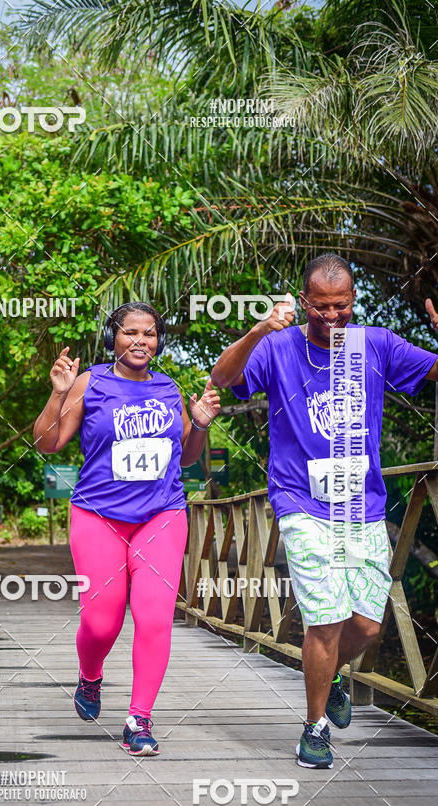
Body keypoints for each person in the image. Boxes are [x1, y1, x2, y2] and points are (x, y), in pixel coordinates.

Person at [211, 254, 438, 769]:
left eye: (342, 306)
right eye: (321, 307)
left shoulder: (374, 344)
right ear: (304, 299)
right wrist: (259, 328)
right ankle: (314, 728)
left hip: (362, 503)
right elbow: (223, 378)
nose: (332, 317)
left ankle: (332, 672)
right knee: (326, 618)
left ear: (352, 301)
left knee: (368, 625)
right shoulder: (277, 347)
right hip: (300, 500)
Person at [33, 302, 221, 756]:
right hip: (99, 514)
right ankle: (91, 676)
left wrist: (199, 425)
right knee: (102, 621)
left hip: (162, 513)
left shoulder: (167, 388)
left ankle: (139, 719)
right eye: (130, 332)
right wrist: (58, 394)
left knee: (155, 616)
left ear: (159, 341)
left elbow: (189, 457)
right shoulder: (89, 383)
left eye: (150, 334)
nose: (141, 341)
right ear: (113, 338)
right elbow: (46, 443)